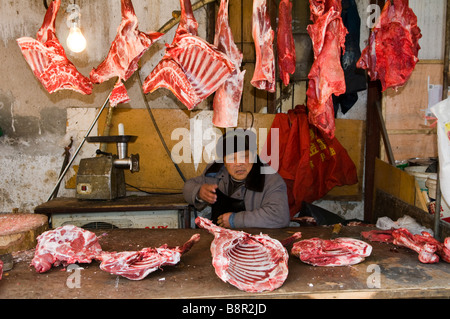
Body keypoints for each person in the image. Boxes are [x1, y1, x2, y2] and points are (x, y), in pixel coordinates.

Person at [183, 128, 290, 229]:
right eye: (231, 158)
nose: (238, 163)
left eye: (244, 157)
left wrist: (235, 220)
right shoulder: (216, 172)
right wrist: (199, 193)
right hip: (219, 238)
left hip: (255, 241)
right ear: (224, 161)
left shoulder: (270, 179)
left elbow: (280, 216)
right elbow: (188, 186)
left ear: (253, 156)